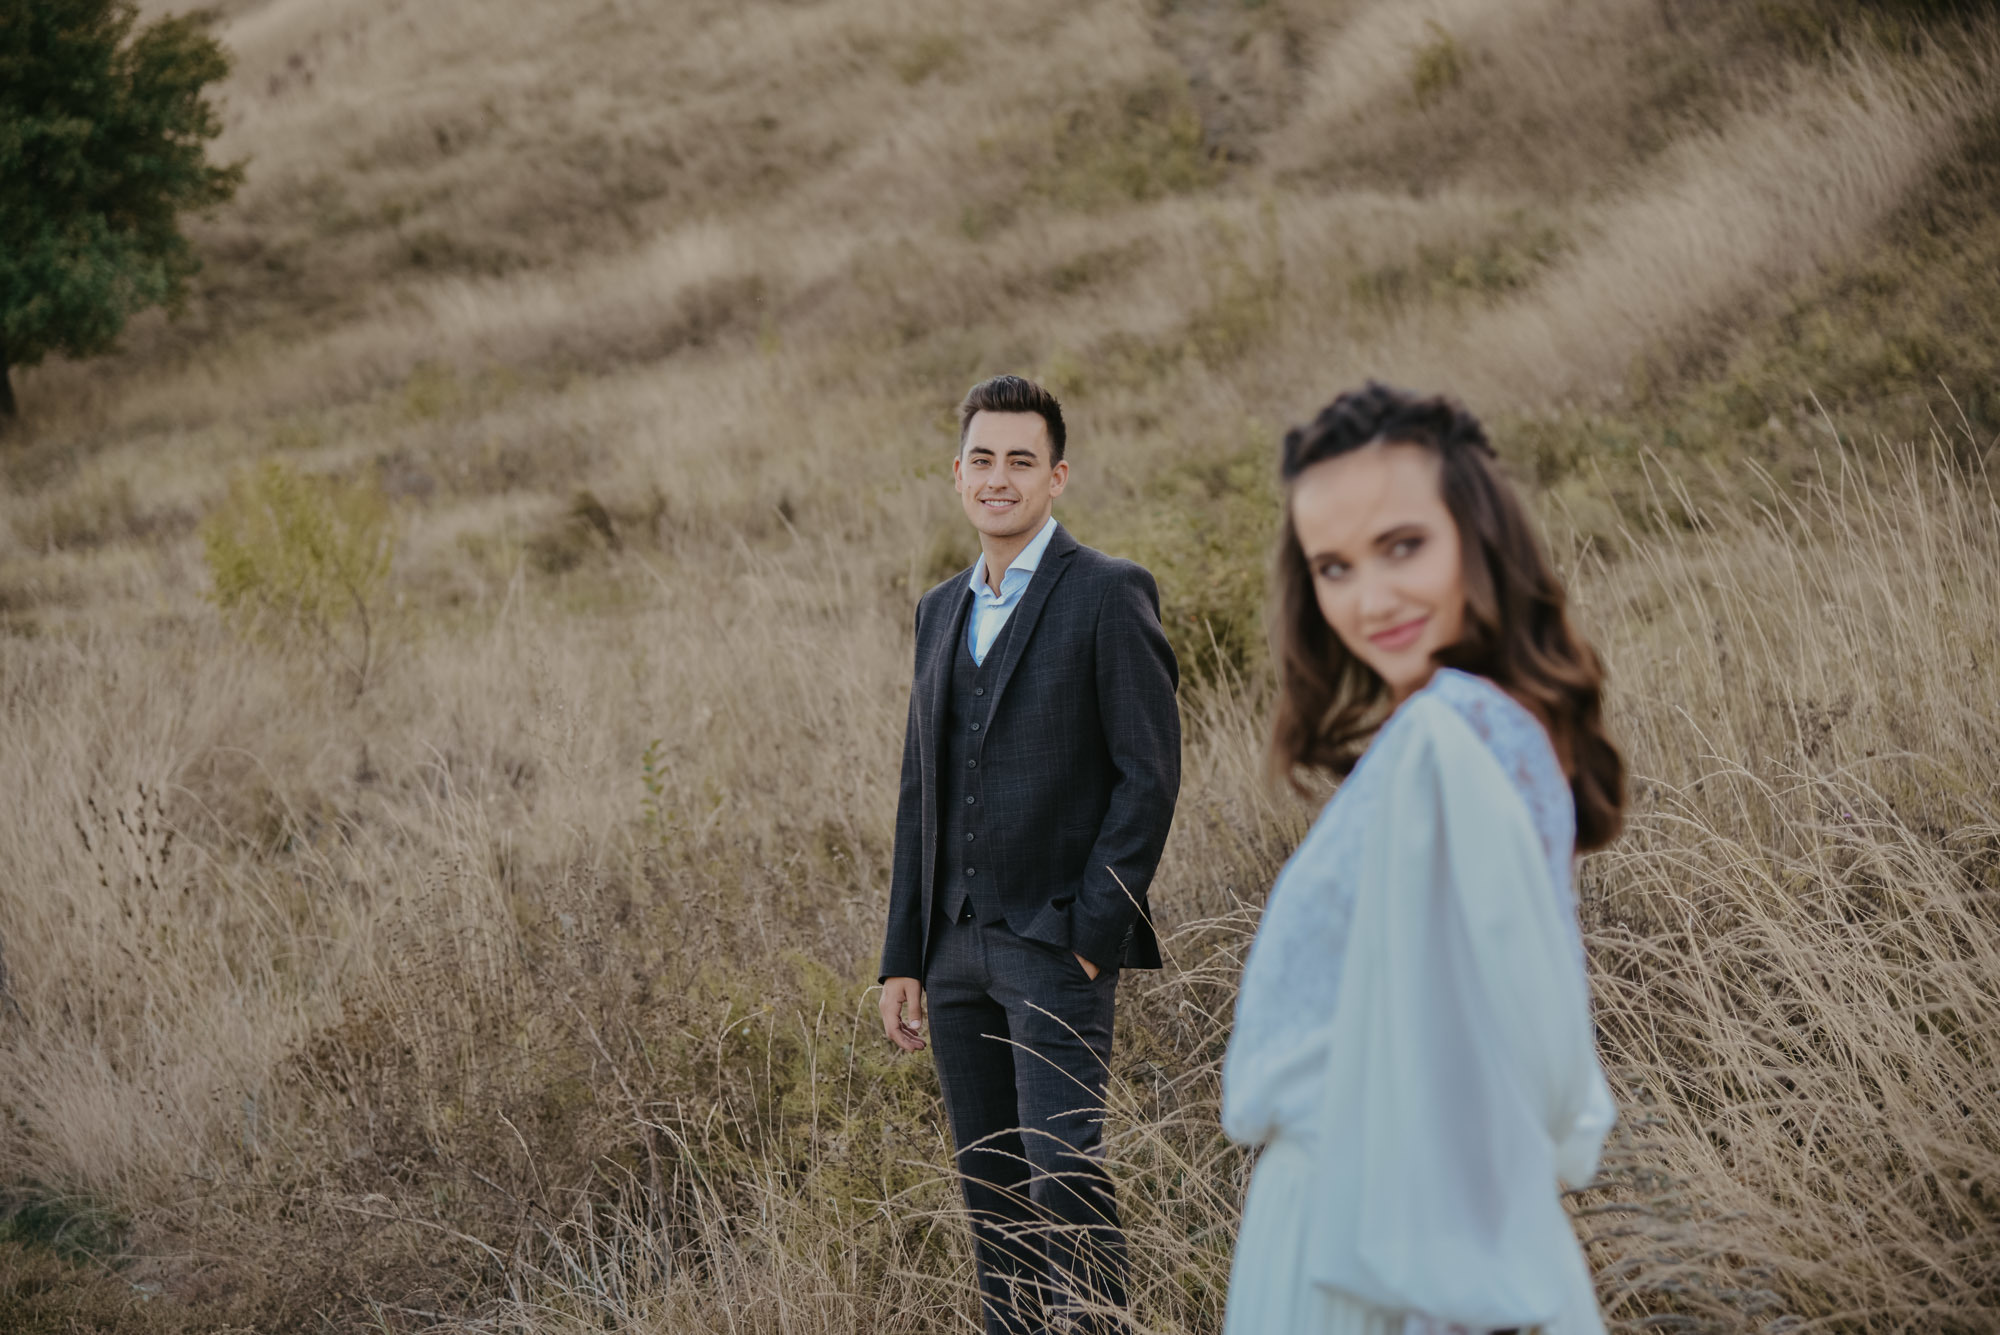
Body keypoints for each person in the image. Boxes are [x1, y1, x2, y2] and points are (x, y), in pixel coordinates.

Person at [1221, 383, 1625, 1335]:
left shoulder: (1450, 736)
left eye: (1403, 546)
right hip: (1381, 1221)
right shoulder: (1485, 725)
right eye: (1334, 566)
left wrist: (1442, 1281)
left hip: (1372, 1242)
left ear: (1477, 536)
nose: (1372, 598)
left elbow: (1515, 1049)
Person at [877, 374, 1182, 1335]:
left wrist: (1093, 930)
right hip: (953, 952)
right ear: (956, 476)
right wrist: (903, 954)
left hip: (1056, 943)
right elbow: (921, 790)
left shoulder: (1106, 591)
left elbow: (1149, 777)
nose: (997, 477)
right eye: (981, 459)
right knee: (994, 1195)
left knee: (1064, 1172)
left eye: (1020, 461)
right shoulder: (937, 609)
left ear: (1057, 477)